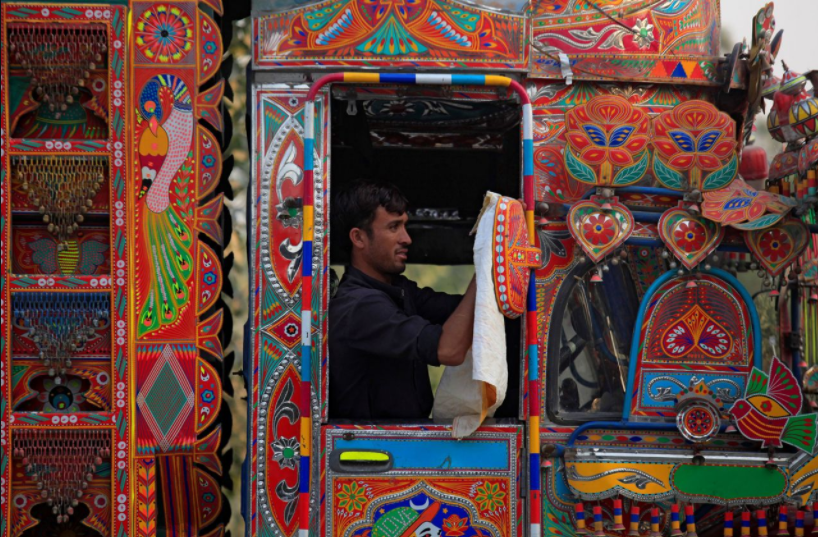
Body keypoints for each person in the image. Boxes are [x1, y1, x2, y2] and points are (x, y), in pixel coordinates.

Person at [329, 181, 477, 420]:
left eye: (404, 226)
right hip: (373, 452)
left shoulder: (397, 289)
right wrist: (487, 265)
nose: (407, 238)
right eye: (393, 227)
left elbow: (464, 311)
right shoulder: (358, 306)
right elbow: (449, 350)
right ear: (358, 238)